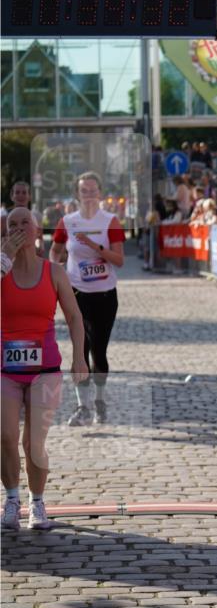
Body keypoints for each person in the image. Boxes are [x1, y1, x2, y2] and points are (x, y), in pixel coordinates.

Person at [1, 207, 88, 531]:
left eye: (26, 222)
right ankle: (11, 499)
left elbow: (75, 317)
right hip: (4, 370)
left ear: (37, 231)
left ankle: (37, 502)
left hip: (45, 369)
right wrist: (3, 258)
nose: (19, 228)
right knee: (5, 436)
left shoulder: (53, 272)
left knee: (33, 442)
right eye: (13, 224)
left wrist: (80, 357)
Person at [49, 171, 125, 426]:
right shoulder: (67, 221)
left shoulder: (110, 221)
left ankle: (100, 401)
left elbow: (119, 260)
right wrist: (55, 271)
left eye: (93, 190)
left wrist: (94, 247)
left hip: (104, 295)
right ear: (77, 194)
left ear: (100, 193)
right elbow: (55, 251)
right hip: (76, 295)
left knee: (98, 351)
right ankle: (82, 407)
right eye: (84, 191)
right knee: (79, 350)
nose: (89, 195)